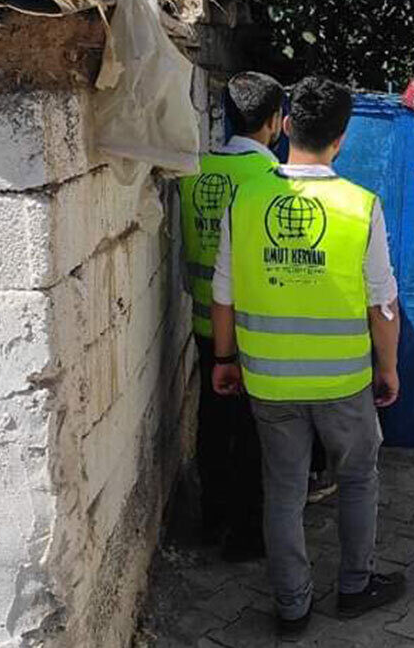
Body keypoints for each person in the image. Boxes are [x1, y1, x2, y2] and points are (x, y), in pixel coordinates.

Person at [210, 76, 406, 635]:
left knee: (285, 491)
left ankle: (292, 605)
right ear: (341, 139)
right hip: (344, 380)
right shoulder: (360, 206)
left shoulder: (245, 200)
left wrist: (225, 360)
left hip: (268, 380)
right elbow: (382, 304)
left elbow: (222, 293)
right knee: (359, 477)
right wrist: (387, 369)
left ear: (288, 127)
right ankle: (354, 584)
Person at [179, 71, 284, 560]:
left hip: (203, 321)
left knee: (212, 424)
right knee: (251, 436)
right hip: (250, 331)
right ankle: (245, 535)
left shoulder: (193, 170)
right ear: (275, 122)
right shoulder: (270, 182)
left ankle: (209, 519)